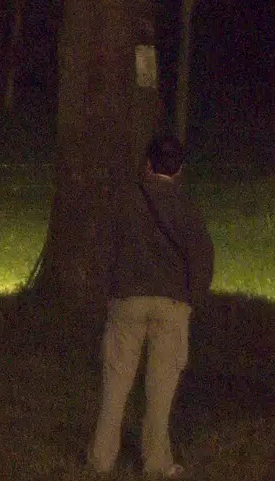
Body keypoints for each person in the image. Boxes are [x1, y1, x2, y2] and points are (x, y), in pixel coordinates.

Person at [88, 131, 214, 478]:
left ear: (147, 163)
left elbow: (103, 248)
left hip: (127, 300)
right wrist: (192, 299)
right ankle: (156, 462)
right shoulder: (187, 206)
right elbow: (202, 258)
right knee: (161, 392)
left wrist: (109, 289)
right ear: (180, 169)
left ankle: (102, 459)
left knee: (116, 384)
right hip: (172, 304)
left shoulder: (124, 200)